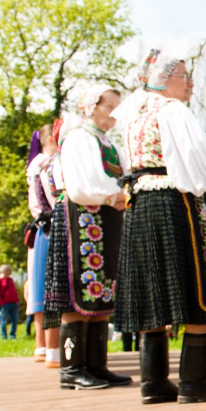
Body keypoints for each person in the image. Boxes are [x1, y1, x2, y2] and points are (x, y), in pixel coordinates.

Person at [113, 50, 206, 405]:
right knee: (197, 284)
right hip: (174, 201)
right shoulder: (172, 111)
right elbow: (197, 160)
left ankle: (153, 383)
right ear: (167, 79)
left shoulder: (134, 116)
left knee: (153, 287)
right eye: (185, 76)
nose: (191, 84)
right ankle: (194, 380)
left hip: (139, 202)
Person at [45, 83, 133, 389]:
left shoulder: (108, 142)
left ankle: (97, 365)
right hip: (81, 217)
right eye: (110, 106)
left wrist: (121, 195)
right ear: (91, 106)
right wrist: (114, 194)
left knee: (103, 288)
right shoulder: (80, 137)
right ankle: (71, 369)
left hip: (106, 217)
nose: (115, 114)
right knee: (81, 290)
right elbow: (84, 182)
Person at [26, 125, 62, 366]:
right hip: (50, 225)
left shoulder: (36, 164)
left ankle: (42, 346)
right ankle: (51, 349)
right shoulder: (47, 163)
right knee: (51, 286)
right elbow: (51, 197)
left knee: (41, 286)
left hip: (40, 227)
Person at [0, 265, 20, 340]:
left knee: (15, 319)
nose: (10, 273)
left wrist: (17, 300)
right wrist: (1, 302)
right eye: (8, 271)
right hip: (5, 304)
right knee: (4, 320)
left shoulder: (10, 279)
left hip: (13, 303)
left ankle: (12, 335)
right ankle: (3, 336)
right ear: (4, 271)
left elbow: (13, 290)